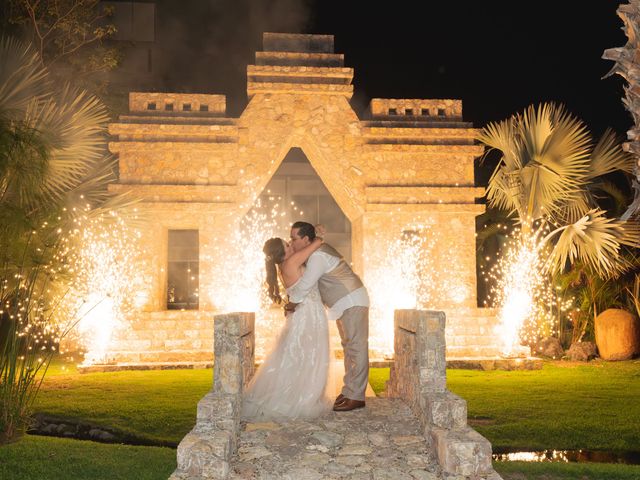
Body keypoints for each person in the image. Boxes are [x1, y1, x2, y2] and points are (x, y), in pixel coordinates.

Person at [241, 234, 331, 421]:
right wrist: (318, 233)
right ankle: (302, 398)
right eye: (288, 244)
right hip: (309, 315)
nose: (291, 245)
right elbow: (317, 243)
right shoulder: (291, 262)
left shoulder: (284, 266)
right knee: (310, 356)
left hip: (305, 313)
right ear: (282, 252)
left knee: (300, 357)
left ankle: (303, 393)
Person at [287, 221, 370, 412]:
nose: (291, 242)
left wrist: (292, 301)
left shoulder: (317, 256)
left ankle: (356, 396)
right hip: (345, 303)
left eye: (294, 238)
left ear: (306, 239)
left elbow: (306, 285)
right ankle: (350, 391)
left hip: (352, 301)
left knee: (356, 347)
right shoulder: (315, 252)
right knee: (349, 348)